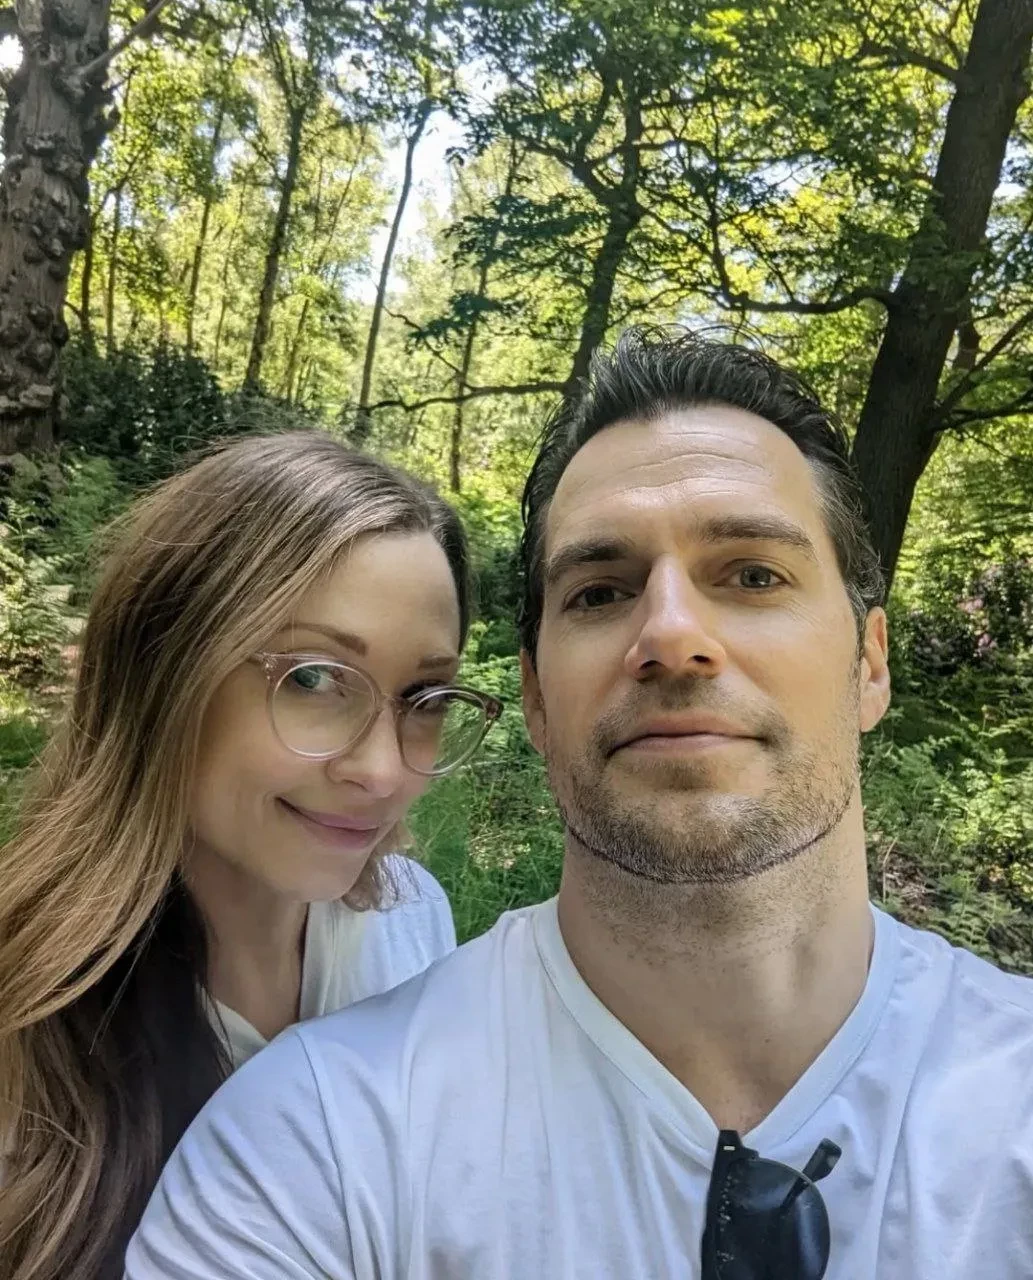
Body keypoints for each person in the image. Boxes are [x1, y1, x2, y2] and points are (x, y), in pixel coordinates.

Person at [127, 331, 1033, 1280]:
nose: (671, 634)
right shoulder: (310, 1144)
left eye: (753, 574)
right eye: (600, 592)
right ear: (532, 697)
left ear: (870, 663)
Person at [0, 432, 501, 1280]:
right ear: (163, 677)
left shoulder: (413, 920)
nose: (383, 771)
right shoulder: (29, 1021)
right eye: (313, 679)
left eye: (423, 698)